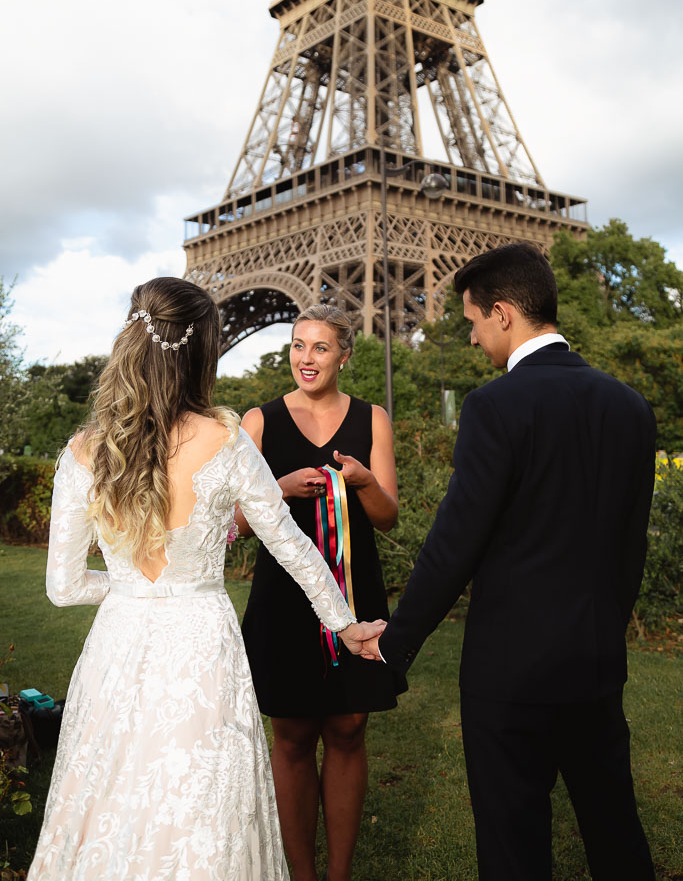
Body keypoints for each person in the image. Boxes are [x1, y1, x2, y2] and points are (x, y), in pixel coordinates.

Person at [28, 277, 383, 881]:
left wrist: (129, 591)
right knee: (204, 807)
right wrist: (345, 624)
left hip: (118, 648)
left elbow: (62, 586)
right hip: (203, 646)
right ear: (201, 351)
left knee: (112, 798)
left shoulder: (85, 448)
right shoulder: (225, 438)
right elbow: (291, 546)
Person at [362, 243, 657, 881]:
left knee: (513, 842)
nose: (471, 340)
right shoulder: (629, 405)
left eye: (470, 322)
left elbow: (456, 542)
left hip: (511, 672)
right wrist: (607, 627)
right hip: (597, 663)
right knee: (614, 829)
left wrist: (396, 643)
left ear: (502, 314)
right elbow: (630, 546)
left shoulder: (495, 406)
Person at [237, 304, 406, 881]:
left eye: (320, 348)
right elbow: (228, 516)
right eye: (298, 346)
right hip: (284, 597)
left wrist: (361, 482)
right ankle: (301, 875)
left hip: (355, 593)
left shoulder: (373, 419)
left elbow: (387, 518)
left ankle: (338, 875)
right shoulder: (257, 422)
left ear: (344, 355)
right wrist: (276, 488)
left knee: (348, 728)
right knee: (291, 735)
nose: (306, 359)